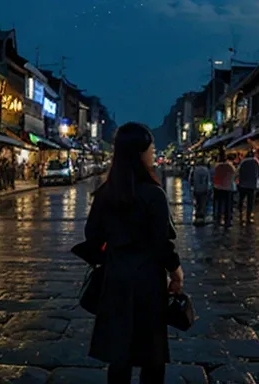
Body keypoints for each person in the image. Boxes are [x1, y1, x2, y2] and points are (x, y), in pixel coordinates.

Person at [84, 122, 183, 384]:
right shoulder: (153, 194)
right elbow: (163, 243)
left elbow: (92, 237)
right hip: (148, 282)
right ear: (141, 153)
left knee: (120, 355)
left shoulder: (106, 193)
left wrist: (114, 251)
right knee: (152, 354)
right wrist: (176, 272)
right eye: (151, 149)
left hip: (116, 278)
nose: (153, 153)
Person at [237, 150, 259, 224]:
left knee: (241, 199)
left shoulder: (243, 162)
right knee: (250, 202)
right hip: (252, 185)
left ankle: (241, 212)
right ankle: (248, 215)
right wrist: (258, 185)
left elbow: (238, 172)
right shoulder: (256, 162)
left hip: (243, 184)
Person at [213, 153, 237, 228]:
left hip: (218, 188)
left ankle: (218, 220)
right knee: (228, 205)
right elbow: (235, 176)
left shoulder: (217, 166)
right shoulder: (230, 166)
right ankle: (227, 221)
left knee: (219, 204)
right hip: (228, 188)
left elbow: (214, 176)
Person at [189, 159, 211, 224]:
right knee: (203, 203)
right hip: (204, 189)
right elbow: (208, 180)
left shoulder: (194, 169)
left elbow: (191, 180)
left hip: (196, 189)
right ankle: (202, 216)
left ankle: (197, 215)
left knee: (197, 202)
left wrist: (192, 187)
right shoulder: (206, 170)